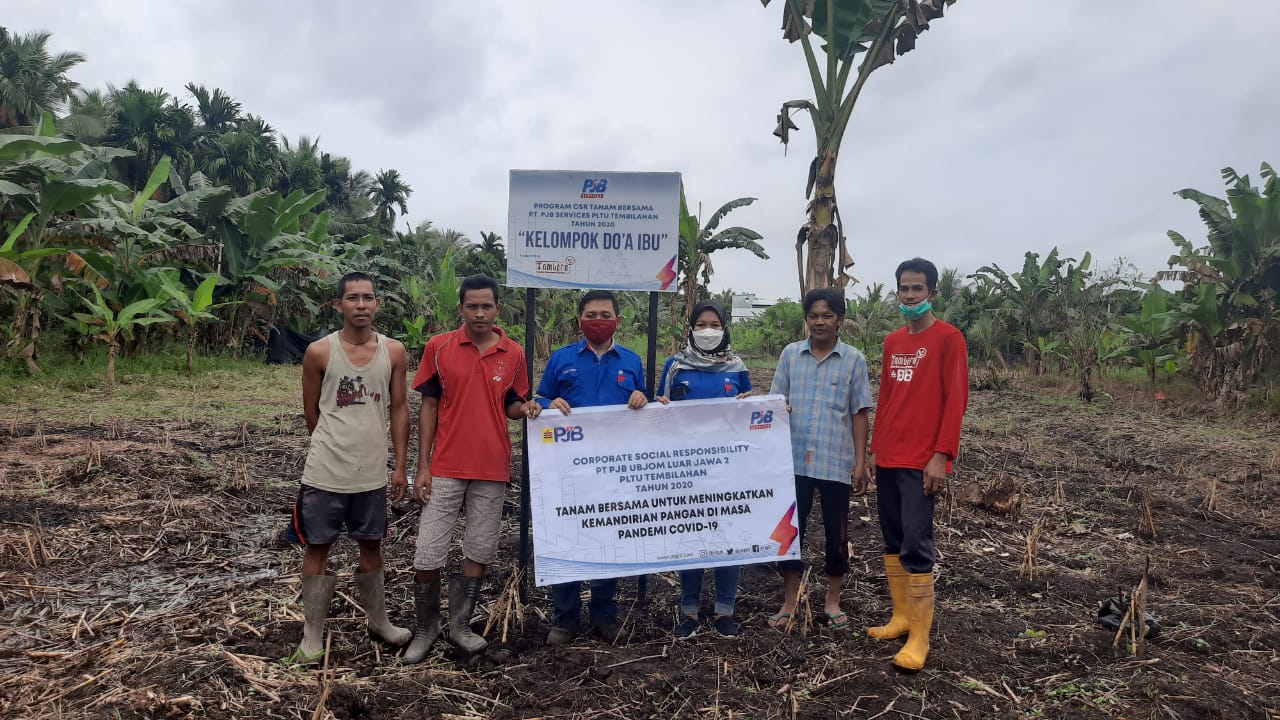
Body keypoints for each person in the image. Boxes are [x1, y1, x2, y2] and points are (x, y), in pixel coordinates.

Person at [397, 275, 540, 663]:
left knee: (479, 548)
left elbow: (512, 403)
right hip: (444, 466)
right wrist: (421, 465)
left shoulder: (513, 353)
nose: (479, 313)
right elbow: (428, 405)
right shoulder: (438, 347)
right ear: (460, 308)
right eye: (472, 306)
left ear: (497, 309)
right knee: (428, 553)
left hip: (492, 467)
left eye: (487, 306)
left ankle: (460, 624)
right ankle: (426, 628)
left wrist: (524, 409)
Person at [289, 272, 412, 663]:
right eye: (353, 298)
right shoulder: (319, 352)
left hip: (372, 471)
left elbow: (398, 408)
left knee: (372, 544)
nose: (361, 304)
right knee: (318, 546)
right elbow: (312, 413)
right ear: (338, 305)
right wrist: (335, 443)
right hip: (325, 470)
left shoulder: (394, 351)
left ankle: (379, 621)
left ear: (377, 304)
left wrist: (400, 465)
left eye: (368, 298)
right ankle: (312, 635)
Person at [537, 289, 658, 646]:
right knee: (566, 536)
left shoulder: (631, 361)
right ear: (580, 319)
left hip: (615, 471)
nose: (598, 320)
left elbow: (644, 403)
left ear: (618, 320)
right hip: (568, 468)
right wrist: (547, 402)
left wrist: (642, 398)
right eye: (591, 314)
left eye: (605, 314)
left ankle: (604, 613)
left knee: (610, 537)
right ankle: (566, 617)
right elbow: (540, 398)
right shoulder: (561, 359)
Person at [866, 258, 969, 671]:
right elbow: (888, 396)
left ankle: (921, 637)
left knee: (916, 543)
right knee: (892, 540)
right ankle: (902, 617)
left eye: (917, 290)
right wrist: (875, 450)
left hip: (922, 459)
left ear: (932, 294)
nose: (910, 297)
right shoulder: (893, 342)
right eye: (904, 289)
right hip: (889, 455)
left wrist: (941, 455)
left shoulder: (949, 339)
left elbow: (956, 399)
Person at [768, 287, 872, 632]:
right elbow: (774, 403)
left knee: (836, 534)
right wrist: (781, 409)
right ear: (806, 319)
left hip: (834, 460)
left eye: (827, 315)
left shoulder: (854, 360)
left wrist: (860, 462)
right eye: (813, 315)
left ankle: (832, 599)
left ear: (840, 320)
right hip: (792, 460)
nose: (820, 321)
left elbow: (859, 413)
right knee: (789, 532)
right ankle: (790, 599)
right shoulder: (789, 355)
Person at [656, 300, 752, 639]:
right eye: (701, 324)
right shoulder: (675, 367)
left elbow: (751, 412)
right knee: (691, 538)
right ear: (691, 328)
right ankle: (690, 611)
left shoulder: (737, 367)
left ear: (724, 328)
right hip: (687, 470)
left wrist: (753, 406)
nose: (707, 330)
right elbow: (658, 414)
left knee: (729, 541)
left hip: (729, 470)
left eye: (714, 324)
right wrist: (661, 406)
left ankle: (725, 611)